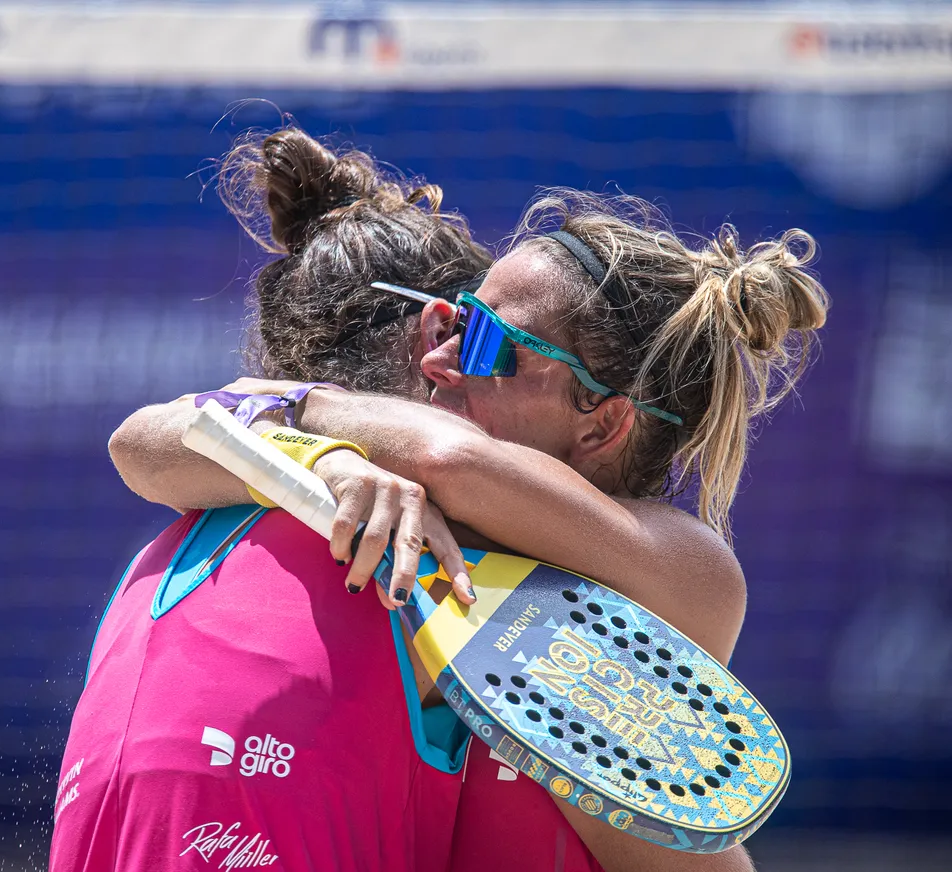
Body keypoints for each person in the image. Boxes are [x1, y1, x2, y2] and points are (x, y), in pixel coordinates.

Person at [109, 166, 828, 867]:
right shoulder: (407, 512)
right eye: (453, 320)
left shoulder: (683, 565)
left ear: (602, 426)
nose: (438, 358)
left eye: (486, 339)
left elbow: (449, 458)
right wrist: (314, 454)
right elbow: (135, 445)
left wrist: (287, 407)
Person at [48, 127, 498, 872]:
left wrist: (299, 429)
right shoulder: (446, 562)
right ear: (440, 338)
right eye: (493, 347)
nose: (496, 378)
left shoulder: (162, 553)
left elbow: (140, 441)